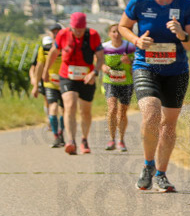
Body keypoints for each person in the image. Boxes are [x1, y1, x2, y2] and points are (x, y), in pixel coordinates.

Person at [118, 0, 190, 193]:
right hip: (146, 66)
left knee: (168, 126)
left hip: (176, 70)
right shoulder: (140, 0)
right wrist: (136, 40)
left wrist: (182, 34)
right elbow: (123, 26)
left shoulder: (186, 4)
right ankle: (147, 165)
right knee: (152, 113)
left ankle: (162, 174)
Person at [43, 12, 102, 155]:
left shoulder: (93, 35)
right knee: (69, 105)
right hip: (67, 76)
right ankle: (71, 141)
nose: (78, 33)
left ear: (85, 27)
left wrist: (94, 73)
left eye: (81, 30)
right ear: (71, 26)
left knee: (85, 111)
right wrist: (46, 70)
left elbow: (100, 58)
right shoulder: (63, 34)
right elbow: (53, 52)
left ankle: (84, 139)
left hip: (87, 77)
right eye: (75, 30)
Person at [29, 24, 65, 148]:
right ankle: (56, 136)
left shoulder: (67, 47)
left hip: (65, 82)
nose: (55, 34)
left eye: (57, 31)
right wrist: (35, 85)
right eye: (53, 32)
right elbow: (39, 66)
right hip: (50, 83)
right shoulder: (44, 48)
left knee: (65, 111)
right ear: (50, 34)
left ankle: (62, 133)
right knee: (53, 108)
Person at [101, 23, 136, 151]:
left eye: (119, 32)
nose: (116, 34)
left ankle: (121, 140)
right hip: (110, 82)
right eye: (114, 32)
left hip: (126, 82)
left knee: (122, 112)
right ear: (109, 34)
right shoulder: (104, 47)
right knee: (112, 108)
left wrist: (130, 62)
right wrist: (103, 67)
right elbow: (98, 60)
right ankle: (111, 139)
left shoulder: (130, 47)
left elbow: (138, 62)